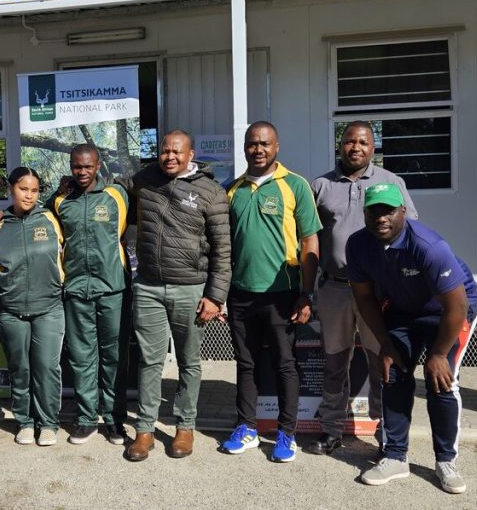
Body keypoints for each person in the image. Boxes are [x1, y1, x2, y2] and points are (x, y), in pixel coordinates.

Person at [348, 183, 477, 494]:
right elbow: (365, 298)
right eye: (374, 210)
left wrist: (437, 354)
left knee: (441, 381)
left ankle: (446, 461)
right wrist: (386, 344)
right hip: (404, 310)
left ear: (403, 212)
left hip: (449, 312)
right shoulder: (357, 245)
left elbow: (457, 305)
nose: (381, 217)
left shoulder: (428, 246)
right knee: (391, 373)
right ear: (365, 213)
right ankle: (395, 456)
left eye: (388, 210)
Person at [307, 121, 418, 456]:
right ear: (340, 145)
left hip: (378, 292)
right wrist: (308, 290)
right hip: (335, 290)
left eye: (363, 142)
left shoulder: (391, 183)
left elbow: (409, 233)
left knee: (381, 360)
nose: (355, 148)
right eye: (349, 142)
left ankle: (387, 433)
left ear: (373, 147)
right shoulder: (321, 185)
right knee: (334, 363)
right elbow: (310, 239)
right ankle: (331, 429)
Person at [125, 131, 231, 461]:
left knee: (188, 362)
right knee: (150, 361)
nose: (169, 156)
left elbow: (223, 251)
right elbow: (111, 188)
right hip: (149, 288)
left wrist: (215, 296)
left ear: (191, 154)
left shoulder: (211, 192)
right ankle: (144, 430)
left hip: (191, 288)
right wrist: (66, 190)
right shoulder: (144, 180)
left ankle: (185, 427)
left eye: (176, 151)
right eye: (164, 151)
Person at [221, 121, 321, 463]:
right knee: (246, 364)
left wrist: (307, 294)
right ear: (245, 147)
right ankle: (246, 428)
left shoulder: (295, 186)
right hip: (241, 294)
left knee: (284, 364)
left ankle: (286, 434)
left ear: (277, 147)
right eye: (252, 144)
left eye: (264, 143)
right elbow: (223, 247)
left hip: (283, 293)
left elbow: (310, 241)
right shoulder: (232, 190)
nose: (258, 149)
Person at [47, 144, 130, 445]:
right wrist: (2, 215)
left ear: (98, 166)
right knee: (82, 357)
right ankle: (85, 418)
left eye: (88, 166)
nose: (82, 172)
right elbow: (31, 213)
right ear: (71, 166)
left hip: (112, 288)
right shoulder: (60, 201)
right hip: (76, 289)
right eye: (76, 166)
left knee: (114, 355)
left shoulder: (117, 196)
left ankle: (114, 419)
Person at [0, 167, 65, 447]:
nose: (29, 195)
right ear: (11, 189)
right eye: (24, 189)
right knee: (19, 368)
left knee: (46, 367)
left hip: (48, 307)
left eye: (35, 190)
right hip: (9, 310)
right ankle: (24, 421)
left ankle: (48, 423)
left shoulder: (50, 218)